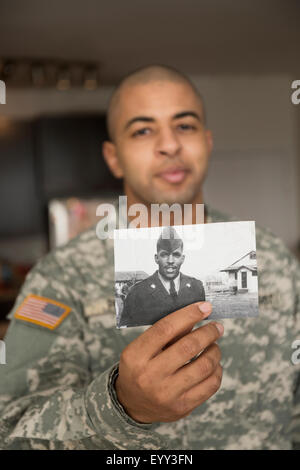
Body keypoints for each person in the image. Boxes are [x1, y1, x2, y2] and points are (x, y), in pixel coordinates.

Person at [0, 65, 299, 450]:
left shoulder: (271, 258)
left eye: (185, 125)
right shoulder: (61, 278)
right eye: (143, 130)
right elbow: (10, 432)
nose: (170, 144)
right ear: (113, 158)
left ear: (207, 141)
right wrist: (121, 407)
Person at [119, 226, 205, 327]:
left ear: (182, 259)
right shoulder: (137, 293)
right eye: (164, 255)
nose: (170, 261)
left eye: (176, 255)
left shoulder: (197, 287)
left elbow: (202, 324)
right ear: (156, 258)